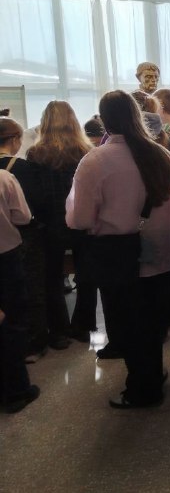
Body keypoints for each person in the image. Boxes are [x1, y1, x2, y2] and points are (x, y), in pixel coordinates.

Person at [66, 90, 170, 408]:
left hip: (117, 254)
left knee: (127, 323)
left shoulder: (96, 160)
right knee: (153, 318)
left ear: (104, 121)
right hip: (159, 249)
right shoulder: (162, 155)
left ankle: (142, 389)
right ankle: (153, 373)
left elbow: (79, 219)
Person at [27, 101, 94, 349]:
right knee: (86, 275)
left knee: (52, 277)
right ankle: (83, 325)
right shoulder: (86, 151)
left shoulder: (36, 154)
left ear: (44, 123)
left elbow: (37, 195)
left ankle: (58, 331)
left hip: (50, 222)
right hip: (81, 219)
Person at [0, 118, 50, 361]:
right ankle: (33, 344)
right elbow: (23, 215)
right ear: (14, 140)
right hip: (14, 243)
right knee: (27, 291)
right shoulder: (17, 171)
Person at [0, 167, 39, 413]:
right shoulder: (4, 178)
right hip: (5, 257)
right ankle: (16, 391)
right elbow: (23, 217)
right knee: (12, 322)